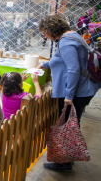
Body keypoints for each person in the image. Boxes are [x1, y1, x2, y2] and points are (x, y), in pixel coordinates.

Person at [37, 14, 100, 172]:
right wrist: (45, 64)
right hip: (87, 87)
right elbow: (60, 58)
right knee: (71, 122)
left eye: (45, 32)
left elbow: (73, 69)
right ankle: (67, 158)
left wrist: (69, 96)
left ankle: (64, 162)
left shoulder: (65, 42)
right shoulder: (72, 35)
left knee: (68, 124)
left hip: (79, 91)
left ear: (51, 30)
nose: (45, 36)